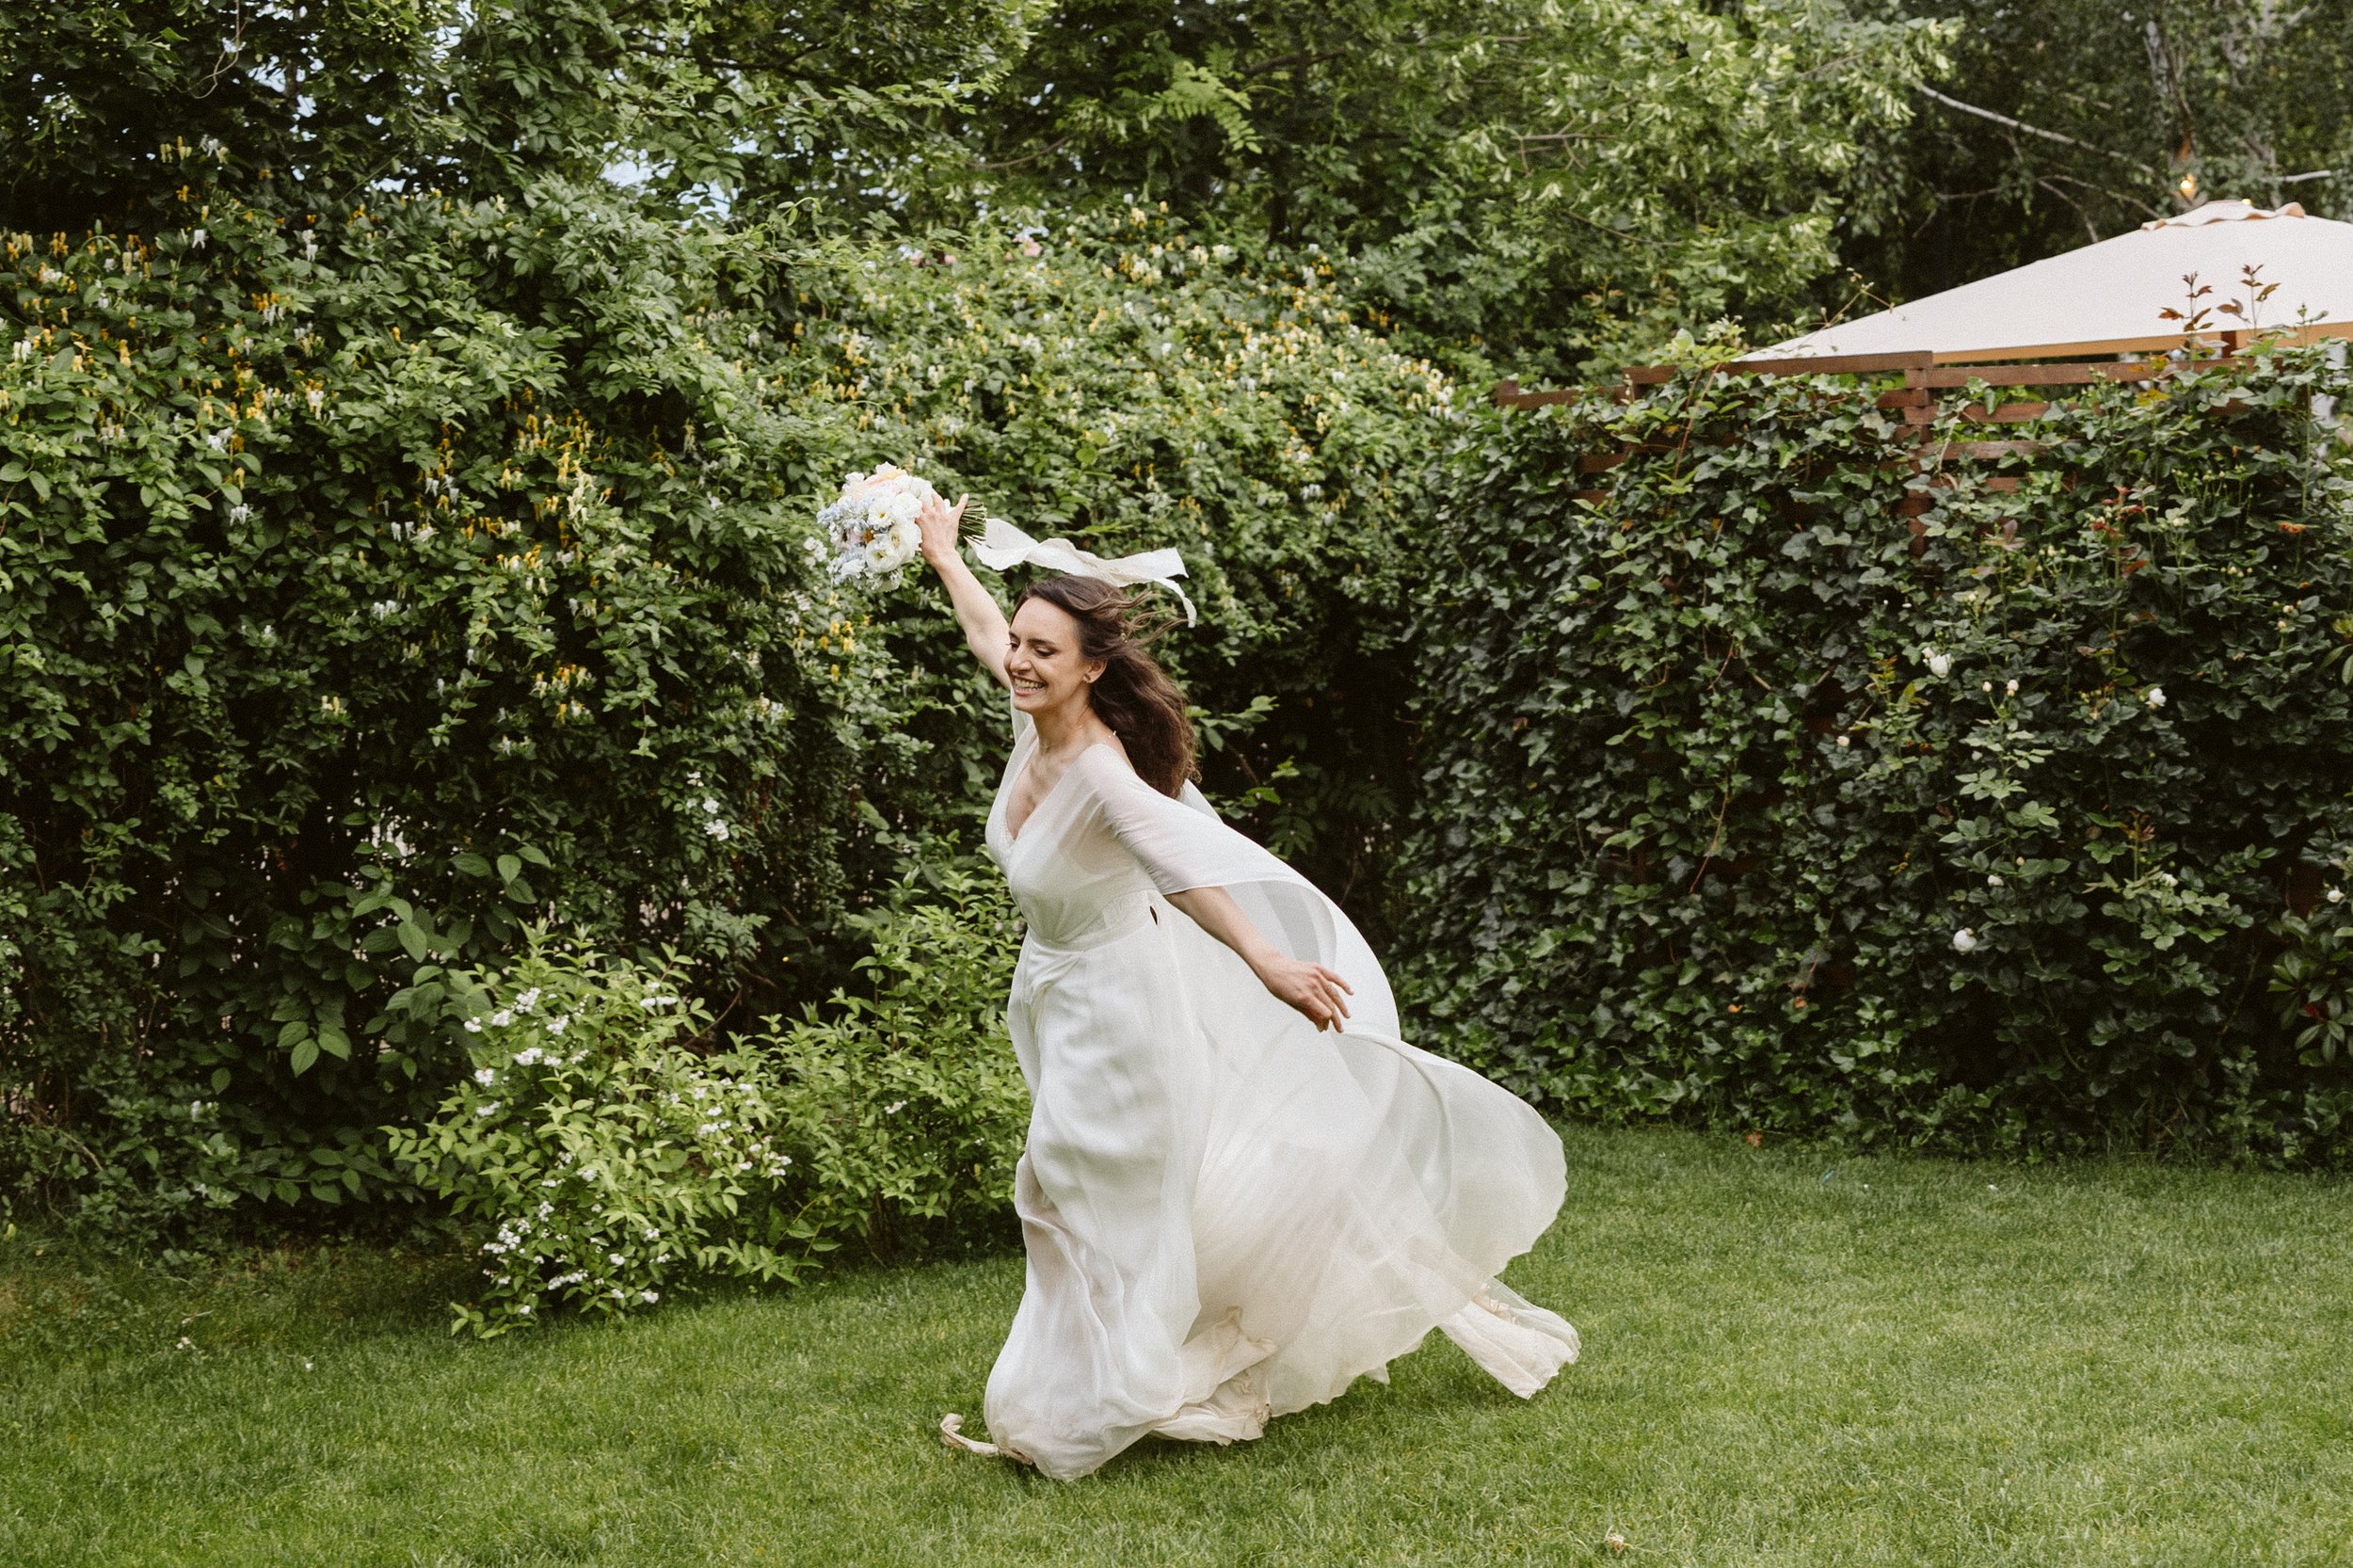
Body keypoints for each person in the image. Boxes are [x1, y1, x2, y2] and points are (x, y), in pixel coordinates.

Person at [919, 491, 1577, 1480]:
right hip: (1061, 998)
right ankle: (1108, 1373)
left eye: (1042, 652)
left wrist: (1268, 962)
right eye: (1019, 642)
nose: (1017, 660)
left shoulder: (1100, 771)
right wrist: (942, 556)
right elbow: (982, 628)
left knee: (1081, 1195)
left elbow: (1184, 871)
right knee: (1069, 1192)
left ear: (1091, 668)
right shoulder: (1031, 721)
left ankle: (1113, 1392)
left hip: (1119, 1009)